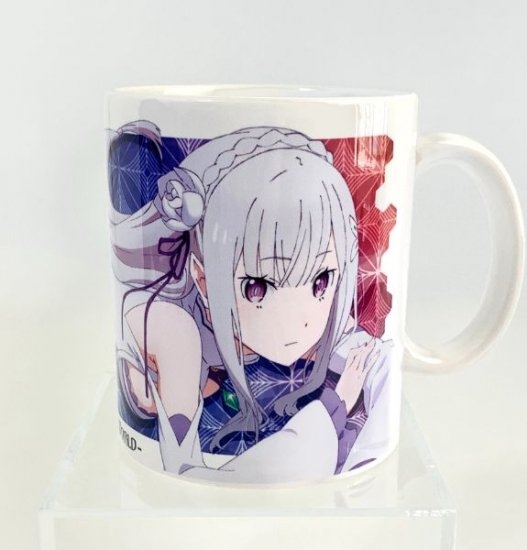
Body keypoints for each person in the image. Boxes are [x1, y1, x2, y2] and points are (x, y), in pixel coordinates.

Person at [110, 123, 392, 483]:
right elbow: (186, 472)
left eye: (320, 281)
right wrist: (336, 404)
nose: (297, 321)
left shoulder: (323, 327)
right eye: (258, 287)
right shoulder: (174, 330)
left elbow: (372, 359)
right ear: (202, 279)